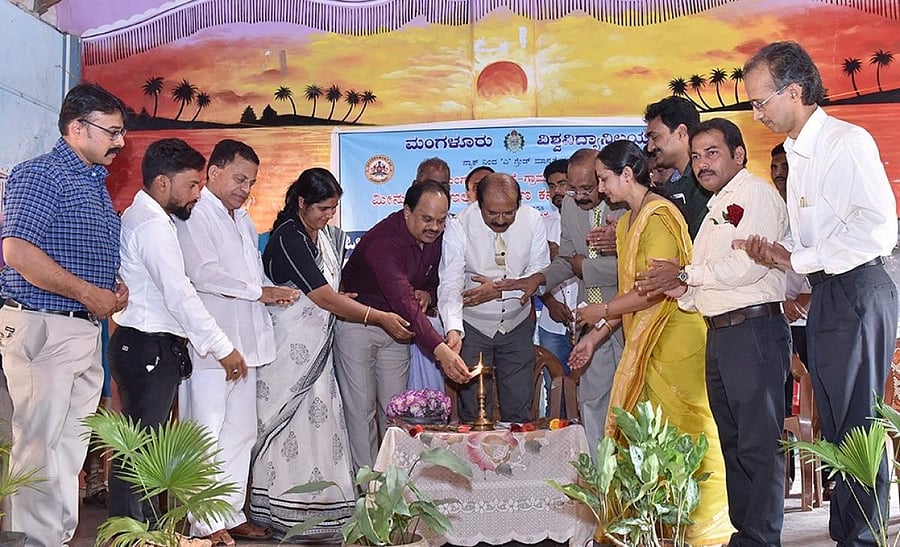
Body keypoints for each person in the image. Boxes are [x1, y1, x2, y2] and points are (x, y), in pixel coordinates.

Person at [739, 41, 898, 546]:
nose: (756, 112)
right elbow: (816, 237)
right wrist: (778, 249)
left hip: (858, 289)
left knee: (859, 421)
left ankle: (866, 536)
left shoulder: (844, 142)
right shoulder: (797, 151)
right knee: (836, 421)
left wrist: (796, 260)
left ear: (795, 90)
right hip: (830, 292)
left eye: (760, 101)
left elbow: (876, 231)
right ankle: (846, 530)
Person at [571, 140, 733, 545]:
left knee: (687, 433)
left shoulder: (660, 216)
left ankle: (701, 530)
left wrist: (602, 311)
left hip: (676, 341)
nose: (602, 188)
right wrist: (594, 338)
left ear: (628, 175)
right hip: (643, 341)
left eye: (605, 179)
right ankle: (657, 528)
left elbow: (654, 289)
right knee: (649, 440)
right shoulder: (626, 223)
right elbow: (631, 298)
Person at [636, 119, 790, 546]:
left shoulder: (754, 194)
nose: (703, 164)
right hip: (721, 334)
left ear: (739, 155)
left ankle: (761, 537)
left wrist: (685, 273)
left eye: (713, 153)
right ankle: (745, 534)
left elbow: (746, 267)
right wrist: (679, 287)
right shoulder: (716, 206)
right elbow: (705, 283)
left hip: (754, 330)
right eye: (698, 155)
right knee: (734, 444)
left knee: (758, 445)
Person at [250, 168, 413, 538]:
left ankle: (321, 511)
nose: (328, 216)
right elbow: (321, 297)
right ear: (302, 202)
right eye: (322, 208)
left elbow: (329, 292)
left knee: (320, 428)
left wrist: (347, 300)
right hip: (289, 355)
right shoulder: (289, 236)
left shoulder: (318, 235)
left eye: (333, 209)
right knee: (289, 430)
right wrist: (377, 316)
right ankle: (282, 512)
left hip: (317, 353)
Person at [0, 83, 129, 547]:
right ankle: (32, 539)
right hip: (43, 325)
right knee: (38, 444)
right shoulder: (40, 175)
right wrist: (86, 292)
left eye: (121, 132)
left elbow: (79, 256)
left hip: (80, 329)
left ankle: (54, 537)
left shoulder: (93, 184)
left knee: (69, 448)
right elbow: (16, 252)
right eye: (111, 131)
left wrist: (112, 286)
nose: (120, 141)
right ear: (77, 128)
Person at [109, 138, 248, 528]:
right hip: (146, 345)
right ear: (163, 183)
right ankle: (135, 534)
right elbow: (180, 294)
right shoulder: (153, 225)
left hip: (147, 345)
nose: (197, 194)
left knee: (143, 448)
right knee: (141, 451)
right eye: (192, 185)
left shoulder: (151, 217)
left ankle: (143, 532)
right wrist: (223, 348)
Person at [174, 139, 298, 544]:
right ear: (213, 172)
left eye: (252, 181)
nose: (245, 188)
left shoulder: (242, 219)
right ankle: (203, 524)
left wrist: (272, 289)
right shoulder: (195, 213)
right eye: (239, 178)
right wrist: (259, 291)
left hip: (246, 346)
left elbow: (252, 276)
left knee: (241, 432)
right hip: (211, 345)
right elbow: (204, 274)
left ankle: (229, 512)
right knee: (205, 434)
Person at [336, 180, 473, 471]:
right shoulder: (384, 242)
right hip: (359, 326)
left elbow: (437, 283)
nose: (434, 227)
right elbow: (403, 300)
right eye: (426, 219)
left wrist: (428, 292)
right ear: (406, 211)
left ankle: (396, 486)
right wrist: (441, 351)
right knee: (361, 412)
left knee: (396, 413)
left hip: (398, 333)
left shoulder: (438, 238)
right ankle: (369, 491)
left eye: (440, 220)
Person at [498, 148, 624, 453]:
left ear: (603, 179)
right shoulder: (568, 206)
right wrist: (538, 279)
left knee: (630, 404)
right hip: (586, 320)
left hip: (626, 316)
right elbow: (567, 260)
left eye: (587, 189)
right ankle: (599, 483)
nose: (579, 196)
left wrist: (586, 266)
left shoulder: (627, 205)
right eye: (573, 188)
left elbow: (636, 271)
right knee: (591, 401)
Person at [439, 173, 550, 422]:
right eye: (492, 213)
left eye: (508, 213)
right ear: (478, 204)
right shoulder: (459, 224)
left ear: (519, 204)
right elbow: (450, 282)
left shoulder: (532, 220)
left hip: (517, 326)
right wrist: (454, 329)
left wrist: (499, 288)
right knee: (475, 411)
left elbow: (539, 274)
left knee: (519, 407)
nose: (500, 220)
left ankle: (518, 461)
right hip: (473, 328)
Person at [408, 159, 453, 390]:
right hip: (399, 330)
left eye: (444, 186)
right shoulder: (397, 228)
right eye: (431, 184)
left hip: (435, 326)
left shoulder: (452, 231)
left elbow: (453, 282)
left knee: (432, 402)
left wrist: (428, 295)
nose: (438, 192)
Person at [644, 96, 712, 239]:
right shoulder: (670, 186)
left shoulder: (707, 181)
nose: (650, 147)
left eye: (655, 137)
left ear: (681, 132)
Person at [536, 159, 578, 370]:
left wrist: (561, 258)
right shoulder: (541, 226)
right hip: (552, 325)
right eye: (551, 186)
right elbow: (531, 274)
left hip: (589, 321)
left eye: (562, 184)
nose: (557, 191)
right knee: (555, 387)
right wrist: (551, 304)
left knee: (590, 389)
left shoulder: (592, 222)